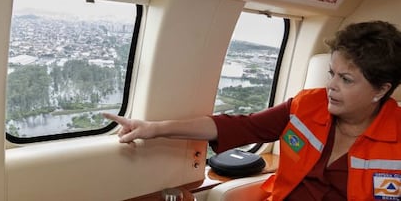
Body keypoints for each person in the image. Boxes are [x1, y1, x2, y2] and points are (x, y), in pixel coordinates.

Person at [103, 21, 401, 200]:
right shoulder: (307, 106)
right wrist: (154, 128)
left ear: (381, 90)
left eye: (346, 79)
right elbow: (241, 126)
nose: (331, 86)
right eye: (331, 73)